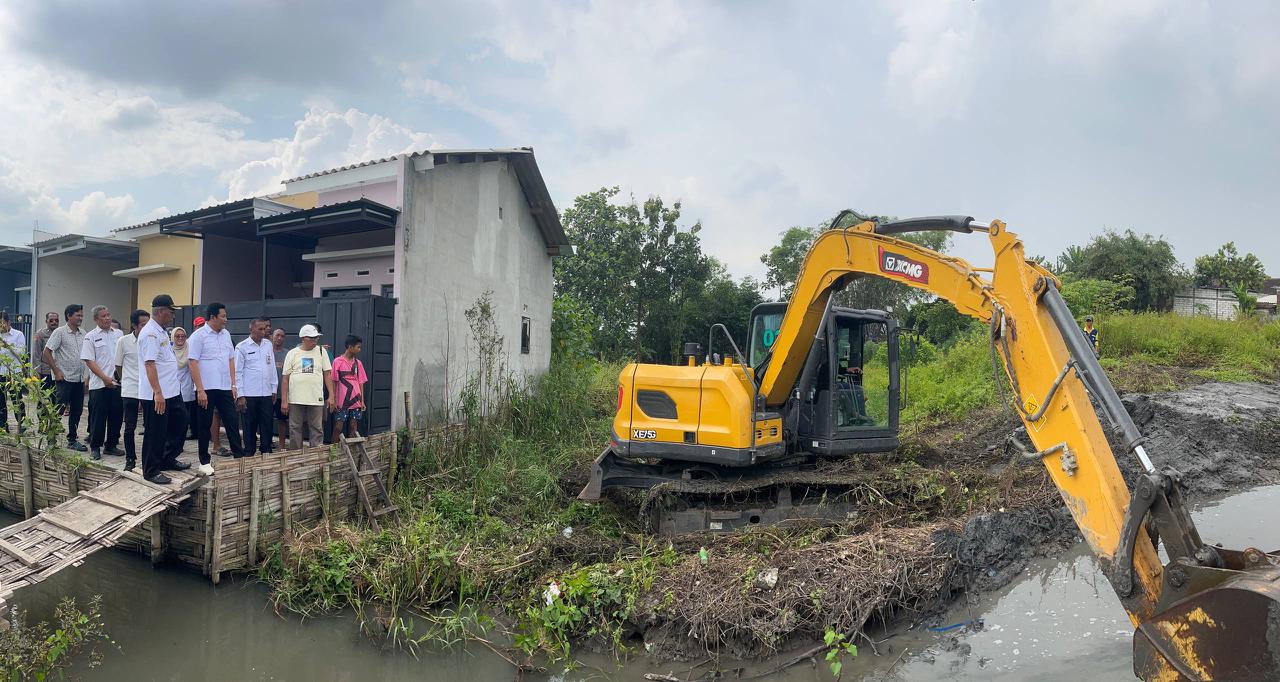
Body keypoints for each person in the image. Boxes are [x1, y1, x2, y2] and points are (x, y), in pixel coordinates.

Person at [139, 294, 189, 485]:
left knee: (181, 421)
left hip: (172, 391)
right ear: (161, 311)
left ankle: (167, 458)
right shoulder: (150, 333)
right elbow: (149, 364)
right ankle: (151, 470)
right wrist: (157, 393)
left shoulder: (161, 331)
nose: (173, 315)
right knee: (155, 432)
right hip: (157, 393)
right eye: (171, 311)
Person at [188, 303, 244, 472]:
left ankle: (239, 458)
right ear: (212, 317)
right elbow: (192, 362)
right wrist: (200, 389)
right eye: (223, 316)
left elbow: (231, 360)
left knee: (232, 422)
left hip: (225, 387)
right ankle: (204, 462)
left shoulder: (226, 334)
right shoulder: (198, 336)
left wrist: (233, 384)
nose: (225, 320)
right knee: (204, 425)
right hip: (206, 389)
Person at [81, 305, 123, 460]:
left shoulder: (118, 334)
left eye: (109, 314)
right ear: (96, 319)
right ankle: (95, 447)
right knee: (98, 418)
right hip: (99, 385)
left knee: (116, 416)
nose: (107, 318)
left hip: (117, 384)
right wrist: (105, 378)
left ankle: (111, 445)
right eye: (103, 316)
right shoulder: (90, 336)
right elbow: (89, 361)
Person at [282, 324, 333, 450]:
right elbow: (285, 378)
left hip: (315, 398)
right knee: (295, 428)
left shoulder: (322, 351)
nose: (315, 340)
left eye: (316, 338)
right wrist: (284, 400)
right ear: (303, 338)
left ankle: (315, 456)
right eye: (312, 338)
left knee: (317, 428)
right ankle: (295, 457)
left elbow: (327, 374)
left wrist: (332, 395)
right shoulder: (292, 353)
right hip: (295, 398)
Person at [44, 304, 87, 451]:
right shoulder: (60, 332)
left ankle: (72, 440)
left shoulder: (83, 333)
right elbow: (47, 352)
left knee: (77, 410)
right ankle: (51, 439)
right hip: (64, 379)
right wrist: (56, 371)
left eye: (81, 315)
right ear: (69, 316)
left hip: (79, 379)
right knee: (59, 409)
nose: (80, 318)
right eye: (77, 315)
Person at [235, 318, 277, 456]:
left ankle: (266, 451)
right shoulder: (242, 347)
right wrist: (240, 395)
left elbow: (271, 368)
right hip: (249, 394)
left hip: (266, 393)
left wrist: (274, 389)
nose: (263, 332)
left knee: (267, 424)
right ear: (251, 329)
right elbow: (237, 372)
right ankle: (249, 452)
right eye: (260, 329)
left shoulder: (268, 345)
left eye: (265, 329)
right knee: (249, 426)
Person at [114, 310, 149, 472]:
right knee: (129, 427)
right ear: (134, 325)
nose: (147, 327)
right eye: (143, 324)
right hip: (130, 389)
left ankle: (149, 459)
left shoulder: (151, 340)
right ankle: (130, 459)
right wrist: (125, 380)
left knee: (150, 426)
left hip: (149, 389)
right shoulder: (123, 341)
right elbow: (118, 365)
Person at [331, 335, 368, 442]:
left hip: (356, 400)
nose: (359, 349)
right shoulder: (337, 361)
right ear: (350, 347)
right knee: (338, 427)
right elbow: (333, 381)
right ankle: (334, 450)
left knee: (353, 426)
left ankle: (351, 450)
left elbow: (361, 382)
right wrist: (334, 399)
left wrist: (362, 401)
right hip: (341, 401)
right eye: (358, 347)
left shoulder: (358, 363)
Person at [170, 327, 196, 461]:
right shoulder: (168, 350)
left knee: (184, 420)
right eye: (177, 336)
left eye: (183, 336)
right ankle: (171, 445)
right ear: (172, 337)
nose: (180, 339)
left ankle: (180, 446)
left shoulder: (190, 349)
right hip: (172, 389)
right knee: (173, 421)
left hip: (186, 389)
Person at [0, 312, 26, 433]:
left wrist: (7, 345)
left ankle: (22, 424)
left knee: (17, 399)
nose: (1, 326)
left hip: (14, 373)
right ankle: (2, 425)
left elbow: (21, 352)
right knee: (1, 401)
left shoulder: (18, 335)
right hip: (1, 373)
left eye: (2, 323)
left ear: (8, 322)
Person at [32, 312, 58, 397]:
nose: (54, 322)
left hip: (58, 371)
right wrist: (37, 372)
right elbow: (37, 354)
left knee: (56, 399)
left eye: (56, 320)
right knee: (43, 398)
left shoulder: (60, 333)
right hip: (45, 371)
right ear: (46, 321)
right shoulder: (40, 334)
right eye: (51, 320)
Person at [271, 328, 288, 448]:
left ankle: (282, 444)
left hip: (281, 394)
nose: (279, 338)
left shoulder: (287, 354)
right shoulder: (267, 352)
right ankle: (267, 442)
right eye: (277, 335)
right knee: (266, 419)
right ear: (272, 336)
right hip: (267, 393)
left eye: (282, 336)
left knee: (282, 420)